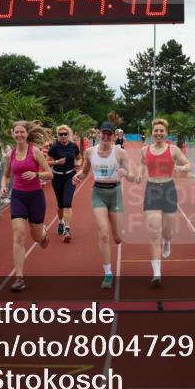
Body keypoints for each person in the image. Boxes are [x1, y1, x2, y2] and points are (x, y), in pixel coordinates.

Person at [74, 120, 134, 289]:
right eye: (103, 133)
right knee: (104, 233)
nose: (106, 136)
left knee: (117, 238)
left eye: (109, 133)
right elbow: (85, 172)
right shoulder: (90, 152)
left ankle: (117, 235)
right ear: (99, 134)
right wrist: (78, 176)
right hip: (98, 193)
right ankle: (108, 273)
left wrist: (125, 173)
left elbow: (132, 175)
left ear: (114, 136)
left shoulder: (120, 153)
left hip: (115, 194)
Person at [136, 118, 191, 286]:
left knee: (167, 231)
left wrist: (181, 168)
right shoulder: (145, 150)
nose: (158, 133)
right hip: (152, 189)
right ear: (152, 133)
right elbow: (141, 165)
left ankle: (167, 241)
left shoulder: (173, 149)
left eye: (161, 131)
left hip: (168, 189)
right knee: (153, 232)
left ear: (166, 133)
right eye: (156, 131)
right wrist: (139, 174)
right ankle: (157, 273)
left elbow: (188, 164)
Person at [0, 121, 52, 292]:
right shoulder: (10, 155)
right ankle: (19, 277)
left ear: (26, 134)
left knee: (37, 238)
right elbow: (6, 176)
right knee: (18, 236)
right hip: (18, 197)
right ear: (12, 134)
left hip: (36, 197)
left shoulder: (35, 152)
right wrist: (4, 186)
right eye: (16, 132)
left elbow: (49, 174)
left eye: (22, 132)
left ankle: (43, 234)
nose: (19, 135)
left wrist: (36, 174)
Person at [47, 124, 81, 242]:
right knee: (60, 205)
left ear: (69, 134)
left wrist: (78, 163)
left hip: (70, 176)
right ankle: (60, 221)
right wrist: (56, 161)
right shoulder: (55, 147)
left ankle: (67, 229)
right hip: (57, 177)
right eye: (60, 134)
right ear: (58, 136)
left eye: (65, 134)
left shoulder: (73, 146)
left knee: (67, 202)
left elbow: (79, 157)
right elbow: (46, 162)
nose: (63, 136)